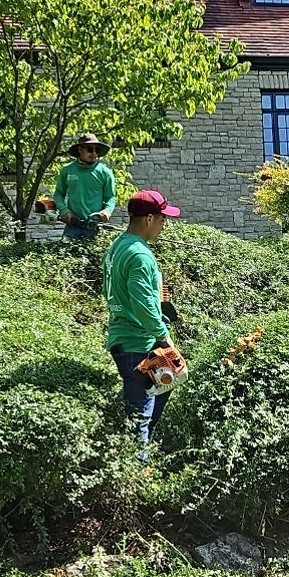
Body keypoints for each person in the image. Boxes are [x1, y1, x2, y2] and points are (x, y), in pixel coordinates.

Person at [103, 189, 182, 460]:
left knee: (167, 384)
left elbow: (109, 291)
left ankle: (145, 455)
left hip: (123, 335)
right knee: (140, 413)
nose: (164, 226)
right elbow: (143, 303)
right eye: (162, 220)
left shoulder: (117, 247)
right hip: (139, 342)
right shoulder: (139, 255)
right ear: (149, 219)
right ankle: (137, 475)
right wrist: (163, 337)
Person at [53, 133, 116, 239]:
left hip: (94, 226)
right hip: (73, 225)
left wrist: (107, 211)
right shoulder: (67, 170)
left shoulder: (105, 172)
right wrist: (64, 211)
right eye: (90, 149)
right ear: (79, 149)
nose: (94, 153)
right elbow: (58, 194)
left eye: (97, 150)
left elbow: (111, 197)